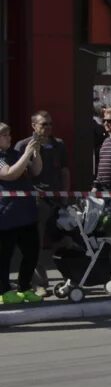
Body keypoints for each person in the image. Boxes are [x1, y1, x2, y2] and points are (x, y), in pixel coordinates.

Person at [16, 111, 68, 294]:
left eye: (50, 124)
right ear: (34, 126)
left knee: (62, 239)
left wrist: (65, 195)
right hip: (35, 201)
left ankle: (72, 277)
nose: (48, 128)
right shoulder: (23, 146)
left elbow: (64, 170)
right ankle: (38, 283)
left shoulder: (58, 145)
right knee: (35, 243)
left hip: (57, 201)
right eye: (44, 124)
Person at [0, 122, 42, 303]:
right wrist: (26, 154)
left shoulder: (14, 154)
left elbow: (35, 170)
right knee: (4, 255)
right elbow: (9, 174)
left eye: (9, 134)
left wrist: (36, 153)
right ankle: (3, 291)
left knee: (32, 252)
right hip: (6, 215)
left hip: (26, 213)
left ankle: (24, 287)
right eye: (4, 135)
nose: (9, 137)